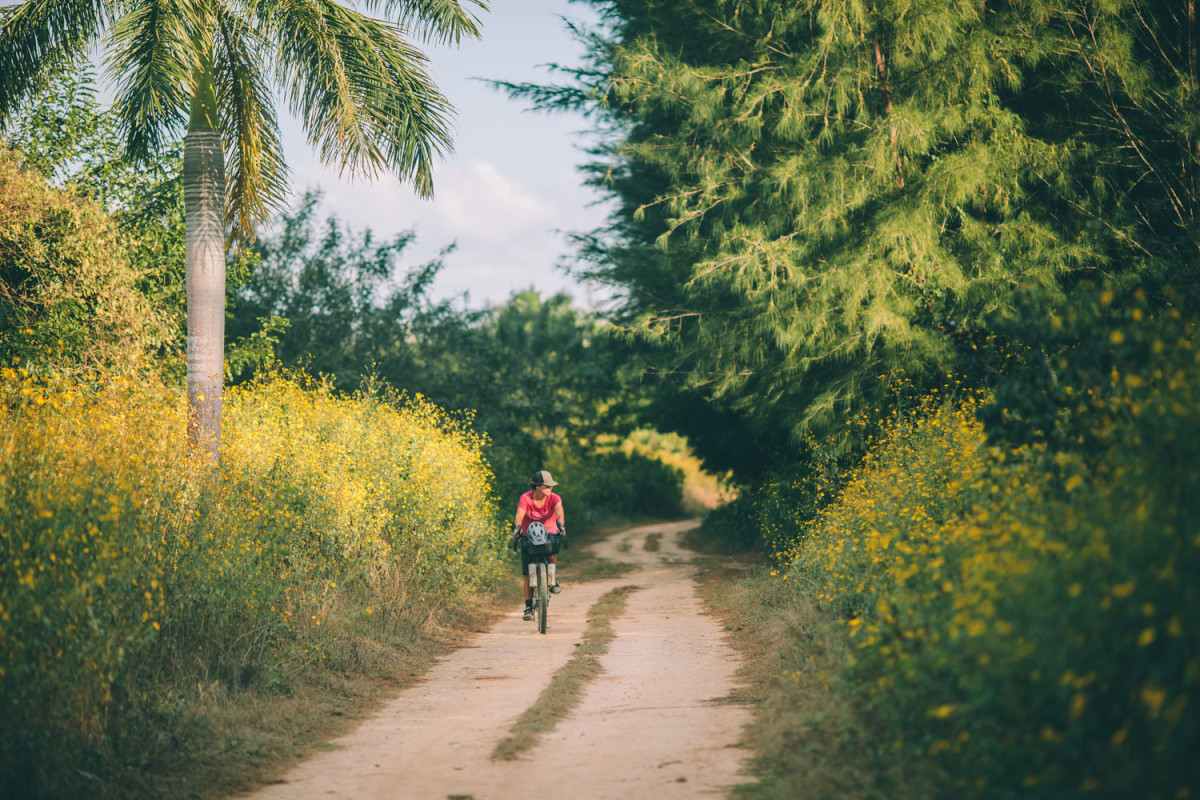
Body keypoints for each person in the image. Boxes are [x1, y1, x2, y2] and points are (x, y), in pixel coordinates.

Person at [511, 470, 567, 620]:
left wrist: (560, 525)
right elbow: (519, 515)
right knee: (529, 573)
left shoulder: (554, 498)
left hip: (549, 532)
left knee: (551, 554)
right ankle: (528, 608)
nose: (551, 488)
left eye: (551, 486)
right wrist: (518, 527)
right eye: (547, 486)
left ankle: (553, 577)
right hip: (529, 534)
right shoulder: (526, 498)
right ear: (537, 486)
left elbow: (560, 513)